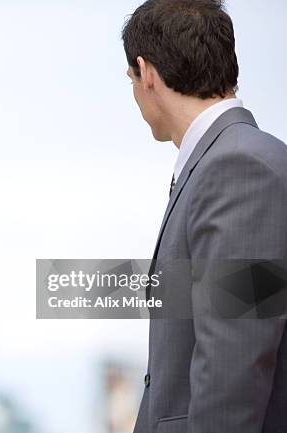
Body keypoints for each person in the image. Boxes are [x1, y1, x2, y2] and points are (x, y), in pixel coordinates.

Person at [122, 1, 287, 432]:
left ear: (148, 73)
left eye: (131, 79)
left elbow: (235, 363)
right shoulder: (229, 162)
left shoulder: (238, 169)